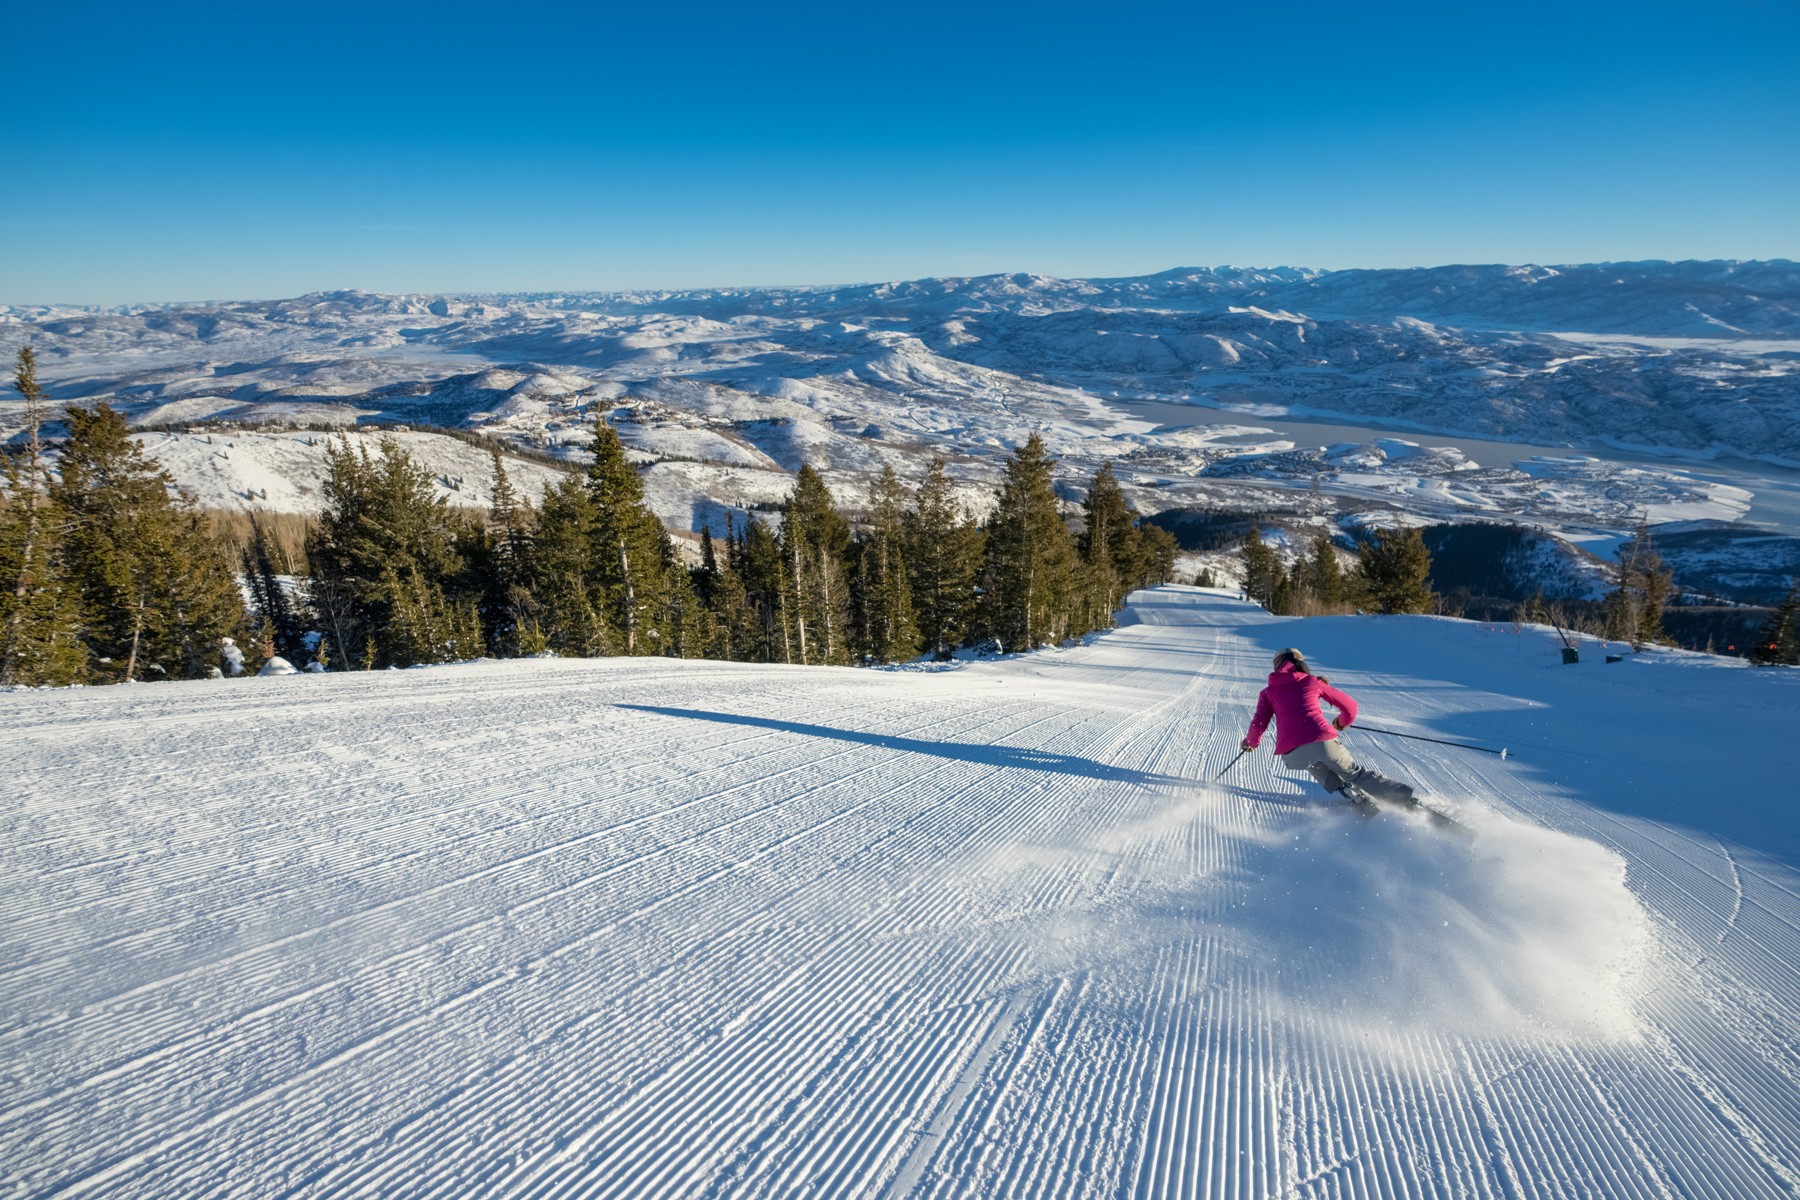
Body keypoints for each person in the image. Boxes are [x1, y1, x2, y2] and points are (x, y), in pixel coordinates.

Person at [1239, 647, 1419, 807]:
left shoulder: (1268, 692)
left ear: (1276, 666)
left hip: (1292, 753)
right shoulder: (1311, 681)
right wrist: (1342, 722)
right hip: (1322, 741)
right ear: (1301, 663)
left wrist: (1250, 743)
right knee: (1354, 773)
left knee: (1312, 761)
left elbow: (1258, 725)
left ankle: (1350, 793)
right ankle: (1406, 800)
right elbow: (1350, 707)